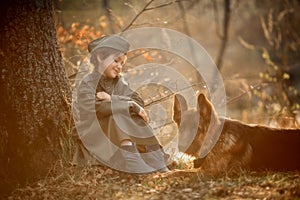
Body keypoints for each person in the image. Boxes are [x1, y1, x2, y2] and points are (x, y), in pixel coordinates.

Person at [74, 35, 169, 173]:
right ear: (100, 57)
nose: (119, 67)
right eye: (116, 61)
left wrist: (113, 99)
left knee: (134, 115)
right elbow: (95, 108)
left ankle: (156, 158)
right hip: (96, 137)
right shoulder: (87, 84)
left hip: (116, 139)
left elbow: (137, 101)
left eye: (122, 64)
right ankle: (132, 161)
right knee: (116, 114)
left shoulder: (119, 82)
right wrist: (128, 105)